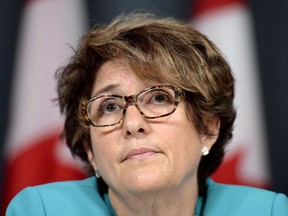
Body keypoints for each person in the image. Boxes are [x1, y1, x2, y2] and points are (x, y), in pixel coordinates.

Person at [6, 12, 288, 216]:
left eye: (159, 98)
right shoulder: (41, 210)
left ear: (208, 128)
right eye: (110, 106)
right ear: (89, 149)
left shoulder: (268, 211)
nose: (132, 123)